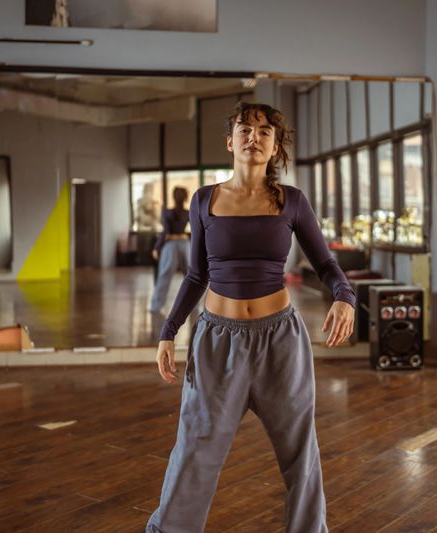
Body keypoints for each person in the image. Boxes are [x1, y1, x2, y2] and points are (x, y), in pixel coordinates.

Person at [145, 102, 356, 533]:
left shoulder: (291, 201)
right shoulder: (205, 199)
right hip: (216, 340)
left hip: (280, 340)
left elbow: (326, 263)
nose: (253, 137)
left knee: (300, 452)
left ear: (274, 146)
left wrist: (345, 295)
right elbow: (196, 274)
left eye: (264, 132)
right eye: (245, 129)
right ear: (230, 141)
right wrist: (169, 331)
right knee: (195, 448)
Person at [149, 187, 190, 313]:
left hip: (170, 245)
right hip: (185, 244)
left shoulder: (166, 212)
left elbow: (165, 232)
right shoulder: (188, 212)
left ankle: (156, 306)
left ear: (173, 197)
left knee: (164, 275)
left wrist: (157, 247)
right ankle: (194, 305)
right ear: (185, 198)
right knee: (192, 276)